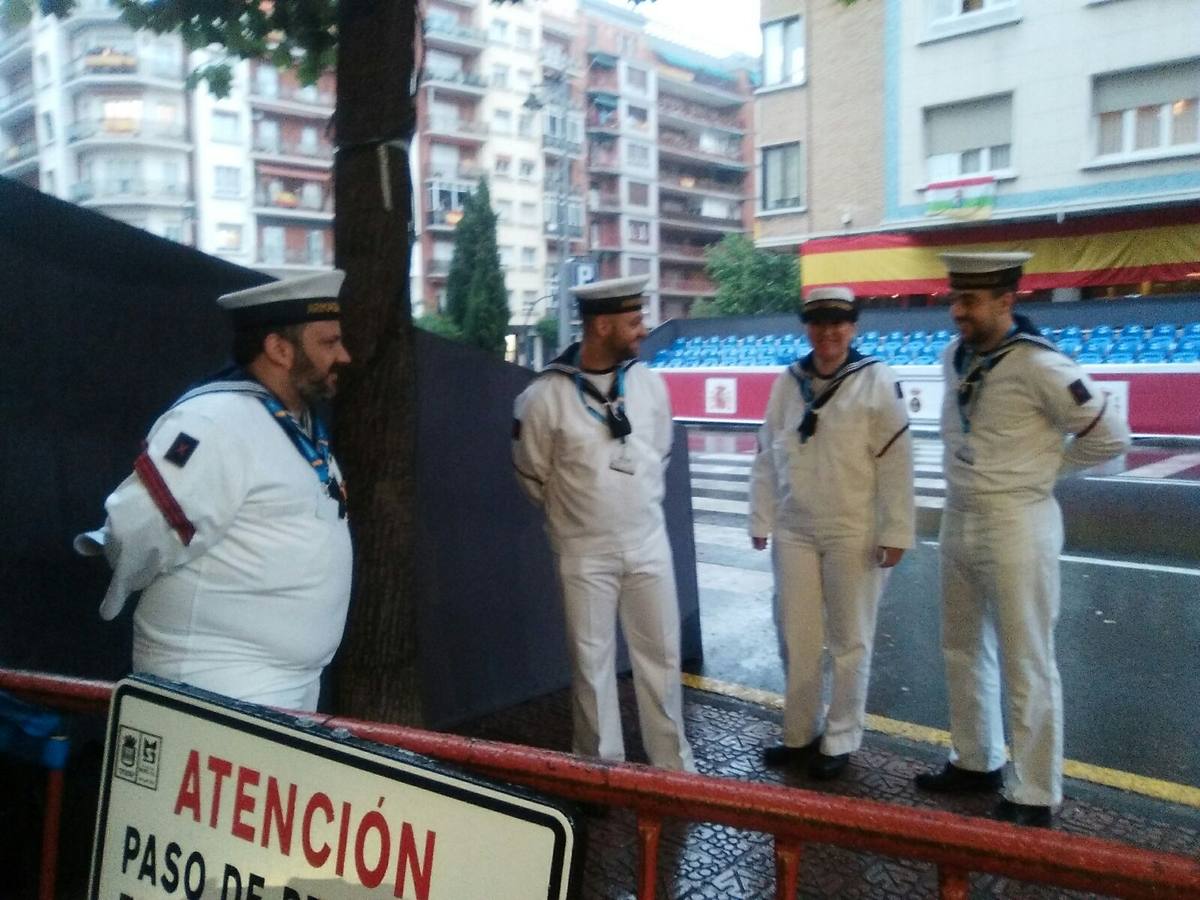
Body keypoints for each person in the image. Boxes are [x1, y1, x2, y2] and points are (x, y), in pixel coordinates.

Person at [914, 252, 1130, 827]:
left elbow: (1111, 437)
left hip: (1017, 521)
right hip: (959, 515)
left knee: (1026, 659)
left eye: (970, 301)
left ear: (1007, 301)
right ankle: (974, 759)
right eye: (954, 299)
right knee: (960, 646)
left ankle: (1034, 791)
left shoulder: (1041, 365)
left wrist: (1046, 470)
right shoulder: (951, 358)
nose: (957, 311)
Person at [75, 271, 354, 712]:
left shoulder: (294, 424)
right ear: (279, 349)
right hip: (215, 691)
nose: (345, 356)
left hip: (282, 689)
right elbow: (135, 530)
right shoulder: (215, 421)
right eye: (329, 343)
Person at [511, 274, 695, 772]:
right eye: (633, 321)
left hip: (648, 541)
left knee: (662, 657)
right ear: (601, 325)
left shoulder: (649, 384)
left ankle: (672, 765)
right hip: (583, 550)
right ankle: (598, 767)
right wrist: (577, 517)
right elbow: (532, 472)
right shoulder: (544, 396)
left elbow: (660, 450)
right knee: (591, 666)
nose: (643, 330)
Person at [749, 286, 915, 780]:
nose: (829, 331)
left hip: (854, 529)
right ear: (807, 327)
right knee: (795, 637)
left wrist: (896, 530)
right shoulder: (788, 382)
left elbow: (897, 462)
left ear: (853, 327)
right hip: (795, 528)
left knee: (850, 639)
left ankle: (840, 737)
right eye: (819, 322)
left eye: (839, 322)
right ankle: (798, 733)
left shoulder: (876, 380)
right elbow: (765, 454)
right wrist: (761, 518)